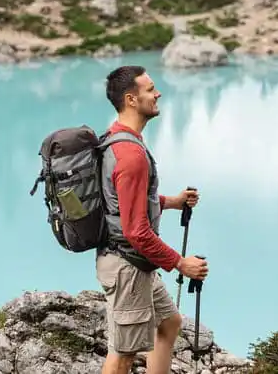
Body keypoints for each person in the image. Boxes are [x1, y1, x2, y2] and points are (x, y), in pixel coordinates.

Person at [97, 65, 209, 374]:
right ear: (132, 99)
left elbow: (122, 201)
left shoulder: (117, 137)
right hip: (128, 265)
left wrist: (170, 202)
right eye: (150, 89)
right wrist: (179, 263)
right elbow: (136, 231)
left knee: (168, 322)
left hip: (134, 262)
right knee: (123, 354)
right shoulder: (131, 155)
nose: (157, 93)